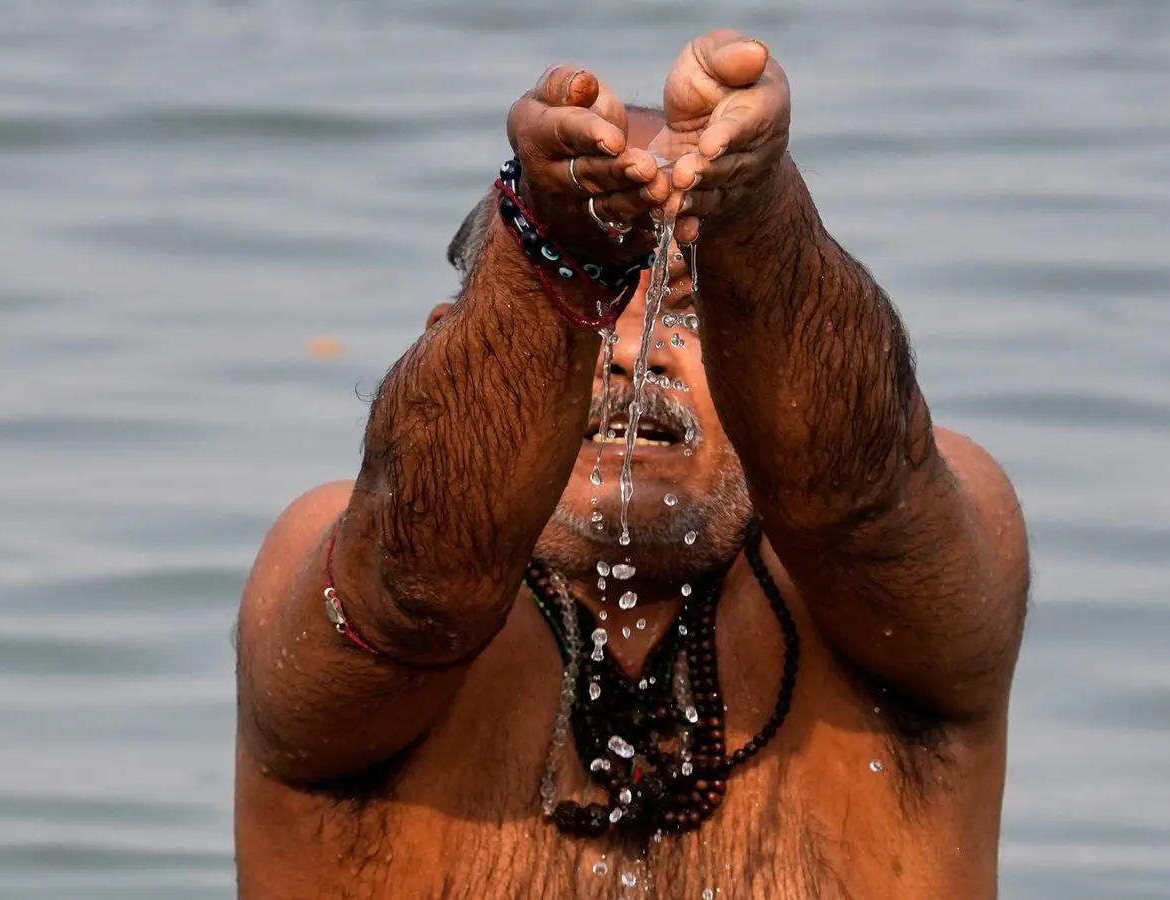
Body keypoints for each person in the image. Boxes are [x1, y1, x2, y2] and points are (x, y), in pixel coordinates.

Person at [234, 29, 1030, 899]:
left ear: (757, 359)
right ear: (443, 345)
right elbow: (421, 589)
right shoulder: (325, 565)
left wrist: (755, 213)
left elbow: (857, 504)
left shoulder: (915, 573)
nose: (630, 354)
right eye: (599, 308)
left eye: (685, 310)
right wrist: (549, 255)